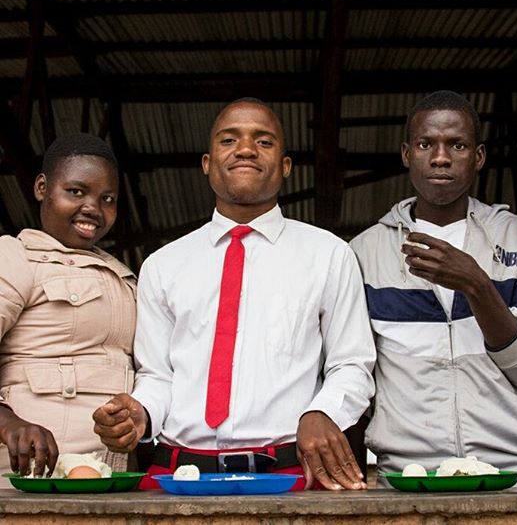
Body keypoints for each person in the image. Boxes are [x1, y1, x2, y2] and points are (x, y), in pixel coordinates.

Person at [92, 98, 376, 491]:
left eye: (264, 141)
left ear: (286, 166)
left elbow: (352, 365)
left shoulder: (329, 255)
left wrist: (322, 412)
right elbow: (159, 376)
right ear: (207, 164)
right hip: (176, 478)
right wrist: (140, 414)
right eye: (229, 140)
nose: (245, 149)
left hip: (288, 476)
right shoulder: (163, 264)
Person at [349, 90, 517, 486]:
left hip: (514, 473)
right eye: (427, 144)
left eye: (457, 145)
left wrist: (478, 286)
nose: (441, 157)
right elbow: (353, 373)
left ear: (477, 157)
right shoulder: (364, 253)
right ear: (407, 153)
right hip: (407, 476)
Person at [0, 133, 136, 480]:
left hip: (107, 478)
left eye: (108, 198)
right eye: (76, 191)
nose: (93, 207)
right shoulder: (16, 258)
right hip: (26, 481)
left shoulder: (126, 279)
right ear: (42, 187)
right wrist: (9, 422)